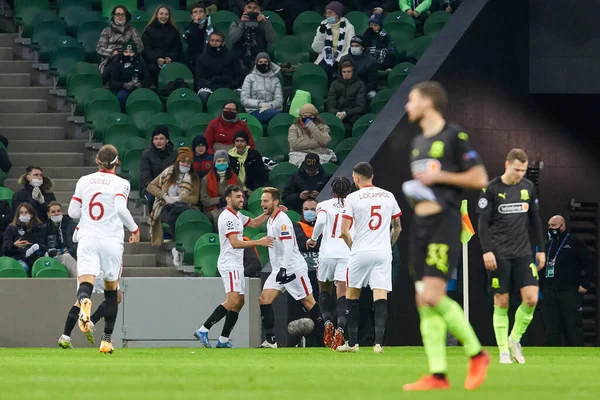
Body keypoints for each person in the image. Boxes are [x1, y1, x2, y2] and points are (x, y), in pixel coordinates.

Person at [402, 81, 489, 390]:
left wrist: (440, 176)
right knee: (422, 299)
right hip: (420, 227)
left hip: (445, 223)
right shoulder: (416, 142)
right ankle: (438, 374)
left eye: (411, 100)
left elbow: (480, 177)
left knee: (434, 295)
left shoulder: (454, 137)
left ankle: (477, 354)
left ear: (428, 102)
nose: (407, 106)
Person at [67, 144, 140, 354]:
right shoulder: (121, 183)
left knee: (86, 283)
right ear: (117, 162)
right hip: (111, 240)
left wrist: (88, 219)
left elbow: (72, 212)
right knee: (111, 292)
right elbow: (119, 208)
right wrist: (134, 229)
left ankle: (84, 301)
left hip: (88, 237)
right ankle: (106, 340)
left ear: (97, 160)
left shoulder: (84, 181)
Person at [477, 148, 545, 364]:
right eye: (517, 169)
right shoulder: (491, 189)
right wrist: (487, 250)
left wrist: (541, 249)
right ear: (507, 165)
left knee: (531, 298)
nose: (520, 174)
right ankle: (503, 352)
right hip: (500, 253)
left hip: (524, 252)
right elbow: (482, 223)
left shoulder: (528, 187)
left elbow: (535, 219)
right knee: (502, 300)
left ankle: (514, 339)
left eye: (524, 170)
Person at [194, 185, 275, 348]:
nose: (241, 199)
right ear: (228, 199)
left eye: (242, 196)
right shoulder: (227, 217)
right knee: (232, 300)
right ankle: (203, 329)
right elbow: (235, 243)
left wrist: (269, 212)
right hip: (229, 263)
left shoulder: (238, 215)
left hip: (237, 264)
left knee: (240, 302)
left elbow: (253, 223)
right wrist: (258, 242)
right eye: (237, 197)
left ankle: (223, 340)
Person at [336, 162, 402, 354]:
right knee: (380, 295)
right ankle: (378, 343)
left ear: (356, 178)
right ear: (372, 176)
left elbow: (344, 231)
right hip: (382, 252)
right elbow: (397, 227)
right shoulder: (388, 195)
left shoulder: (353, 197)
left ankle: (352, 343)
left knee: (352, 294)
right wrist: (387, 246)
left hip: (360, 251)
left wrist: (354, 247)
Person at [258, 187, 323, 348]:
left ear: (275, 202)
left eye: (265, 201)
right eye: (261, 201)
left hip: (292, 268)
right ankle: (271, 340)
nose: (262, 204)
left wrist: (283, 269)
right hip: (279, 269)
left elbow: (288, 247)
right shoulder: (271, 220)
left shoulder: (283, 220)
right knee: (264, 300)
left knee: (309, 302)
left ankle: (327, 338)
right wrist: (279, 269)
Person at [58, 224, 124, 349]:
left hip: (86, 263)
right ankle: (94, 324)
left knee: (81, 299)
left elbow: (74, 238)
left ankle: (65, 337)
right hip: (104, 261)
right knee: (115, 298)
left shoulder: (86, 219)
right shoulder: (111, 217)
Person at [307, 176, 353, 349]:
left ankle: (327, 322)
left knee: (324, 290)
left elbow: (320, 221)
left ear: (332, 190)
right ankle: (340, 327)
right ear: (348, 190)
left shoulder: (323, 205)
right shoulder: (352, 205)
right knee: (342, 294)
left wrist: (313, 238)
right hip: (346, 252)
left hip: (327, 253)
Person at [541, 215, 594, 347]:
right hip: (550, 293)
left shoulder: (575, 242)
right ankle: (551, 358)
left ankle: (578, 357)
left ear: (562, 226)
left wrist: (585, 283)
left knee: (573, 327)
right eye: (549, 226)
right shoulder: (547, 245)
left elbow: (590, 263)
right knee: (551, 328)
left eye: (553, 226)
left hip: (569, 291)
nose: (550, 228)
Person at [147, 147, 200, 265]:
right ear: (177, 162)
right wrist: (164, 196)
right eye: (183, 161)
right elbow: (151, 187)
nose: (185, 164)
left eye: (188, 162)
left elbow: (195, 199)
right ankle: (176, 245)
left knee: (179, 209)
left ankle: (176, 245)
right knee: (172, 211)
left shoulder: (194, 178)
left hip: (183, 207)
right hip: (165, 205)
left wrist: (179, 198)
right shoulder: (168, 172)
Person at [195, 32, 244, 107]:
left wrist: (232, 84)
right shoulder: (201, 58)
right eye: (212, 40)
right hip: (210, 86)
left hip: (230, 86)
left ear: (223, 43)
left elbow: (239, 75)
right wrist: (212, 85)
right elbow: (199, 79)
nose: (214, 43)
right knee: (203, 95)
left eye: (217, 41)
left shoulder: (232, 56)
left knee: (241, 95)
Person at [229, 0, 277, 75]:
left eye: (255, 8)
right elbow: (233, 39)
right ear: (245, 9)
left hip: (258, 59)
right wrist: (242, 24)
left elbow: (272, 39)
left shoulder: (264, 23)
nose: (252, 10)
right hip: (240, 58)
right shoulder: (236, 22)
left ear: (259, 10)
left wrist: (266, 23)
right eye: (249, 7)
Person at [312, 2, 356, 77]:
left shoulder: (349, 27)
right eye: (326, 13)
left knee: (338, 69)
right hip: (326, 56)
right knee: (324, 70)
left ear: (338, 14)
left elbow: (349, 48)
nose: (327, 15)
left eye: (330, 13)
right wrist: (321, 34)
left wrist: (337, 59)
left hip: (342, 57)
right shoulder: (322, 27)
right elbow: (317, 49)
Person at [96, 5, 144, 75]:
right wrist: (112, 52)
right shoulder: (106, 30)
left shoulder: (132, 30)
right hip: (111, 58)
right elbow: (99, 48)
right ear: (114, 16)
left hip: (129, 56)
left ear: (126, 16)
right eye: (117, 14)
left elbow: (140, 46)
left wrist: (130, 52)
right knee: (116, 60)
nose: (120, 16)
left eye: (122, 14)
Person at [142, 5, 182, 85]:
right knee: (151, 69)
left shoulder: (174, 31)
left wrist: (171, 58)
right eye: (161, 14)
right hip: (153, 62)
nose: (164, 16)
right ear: (157, 15)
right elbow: (146, 49)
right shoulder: (148, 30)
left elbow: (177, 49)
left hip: (170, 62)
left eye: (166, 14)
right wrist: (157, 59)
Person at [108, 40, 152, 113]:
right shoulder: (118, 63)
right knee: (121, 97)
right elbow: (112, 83)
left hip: (138, 88)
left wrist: (140, 84)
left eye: (131, 52)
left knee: (145, 97)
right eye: (126, 52)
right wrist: (124, 85)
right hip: (123, 89)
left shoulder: (140, 62)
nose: (128, 54)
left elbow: (148, 80)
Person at [240, 52, 283, 125]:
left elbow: (279, 100)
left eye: (265, 62)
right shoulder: (249, 78)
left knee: (277, 116)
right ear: (256, 63)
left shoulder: (275, 80)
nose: (263, 64)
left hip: (271, 109)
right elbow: (244, 99)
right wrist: (259, 104)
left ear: (269, 63)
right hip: (254, 111)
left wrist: (270, 105)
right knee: (276, 115)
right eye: (260, 62)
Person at [2, 202, 44, 276]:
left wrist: (35, 247)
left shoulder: (39, 227)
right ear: (18, 215)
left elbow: (43, 243)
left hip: (36, 257)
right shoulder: (11, 228)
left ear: (31, 214)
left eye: (26, 212)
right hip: (18, 257)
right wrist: (14, 245)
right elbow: (5, 249)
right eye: (21, 213)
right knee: (23, 267)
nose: (24, 214)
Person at [140, 127, 177, 211]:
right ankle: (153, 221)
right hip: (150, 187)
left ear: (167, 140)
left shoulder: (174, 155)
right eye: (156, 139)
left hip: (169, 186)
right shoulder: (146, 154)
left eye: (161, 138)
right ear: (152, 141)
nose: (158, 141)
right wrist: (158, 189)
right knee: (154, 197)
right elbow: (145, 178)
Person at [200, 150, 239, 227]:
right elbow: (204, 199)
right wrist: (219, 200)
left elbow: (242, 196)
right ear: (214, 163)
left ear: (228, 163)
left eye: (224, 161)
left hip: (232, 207)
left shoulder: (235, 178)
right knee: (219, 217)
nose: (221, 163)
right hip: (212, 208)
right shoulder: (206, 179)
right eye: (219, 161)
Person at [326, 59, 366, 132]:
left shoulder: (360, 84)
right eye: (344, 72)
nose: (346, 74)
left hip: (352, 115)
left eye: (349, 72)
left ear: (353, 72)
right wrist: (336, 112)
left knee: (356, 120)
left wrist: (345, 113)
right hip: (337, 114)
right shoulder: (335, 84)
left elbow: (360, 107)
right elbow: (331, 103)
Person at [39, 201, 77, 277]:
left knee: (67, 257)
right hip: (53, 257)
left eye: (58, 211)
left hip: (72, 254)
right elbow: (42, 245)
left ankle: (79, 281)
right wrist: (51, 251)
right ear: (48, 214)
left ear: (62, 212)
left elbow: (79, 243)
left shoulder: (71, 224)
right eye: (53, 212)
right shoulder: (45, 228)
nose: (56, 213)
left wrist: (69, 250)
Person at [228, 131, 266, 196]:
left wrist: (254, 190)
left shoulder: (254, 155)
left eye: (242, 141)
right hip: (234, 191)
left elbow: (261, 175)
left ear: (247, 143)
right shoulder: (229, 156)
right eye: (237, 141)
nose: (239, 143)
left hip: (252, 190)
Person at [183, 2, 209, 72]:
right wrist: (195, 24)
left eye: (201, 12)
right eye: (195, 12)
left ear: (205, 14)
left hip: (208, 57)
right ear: (192, 16)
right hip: (194, 58)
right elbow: (189, 39)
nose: (198, 14)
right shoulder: (188, 27)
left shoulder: (210, 27)